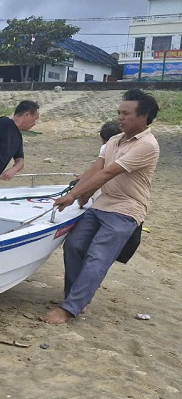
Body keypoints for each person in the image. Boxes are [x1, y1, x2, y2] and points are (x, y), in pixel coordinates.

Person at [43, 89, 160, 324]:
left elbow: (109, 172)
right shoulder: (115, 140)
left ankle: (69, 308)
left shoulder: (147, 145)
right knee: (74, 246)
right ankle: (76, 299)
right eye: (119, 112)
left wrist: (74, 195)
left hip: (126, 210)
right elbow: (96, 168)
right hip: (102, 204)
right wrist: (81, 193)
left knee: (98, 257)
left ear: (143, 116)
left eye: (126, 113)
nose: (120, 118)